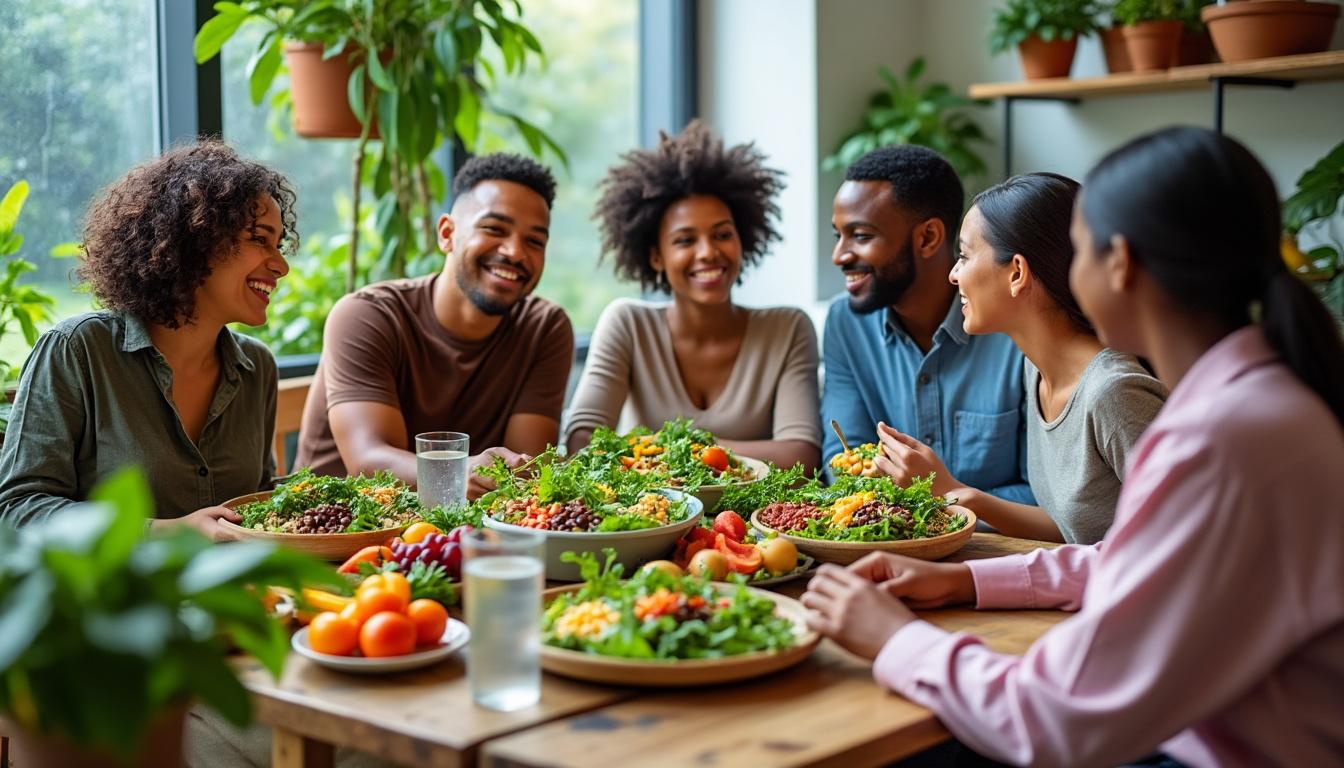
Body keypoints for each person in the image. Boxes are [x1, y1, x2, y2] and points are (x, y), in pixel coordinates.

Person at [802, 127, 1344, 767]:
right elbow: (1124, 557)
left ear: (1120, 267)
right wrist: (962, 582)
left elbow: (1055, 717)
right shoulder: (1244, 406)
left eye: (1078, 249)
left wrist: (897, 639)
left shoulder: (1221, 440)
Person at [0, 140, 293, 540]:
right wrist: (168, 532)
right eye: (260, 239)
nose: (281, 265)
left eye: (279, 245)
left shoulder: (257, 367)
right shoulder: (77, 351)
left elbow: (258, 504)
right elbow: (18, 509)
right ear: (197, 238)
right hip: (117, 600)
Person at [875, 173, 1167, 544]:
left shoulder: (1114, 394)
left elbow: (1191, 542)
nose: (953, 274)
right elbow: (1075, 531)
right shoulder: (1037, 371)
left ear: (1016, 272)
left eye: (964, 256)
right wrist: (954, 491)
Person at [294, 154, 574, 498]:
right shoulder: (367, 315)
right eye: (494, 229)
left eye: (534, 241)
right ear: (447, 234)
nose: (515, 252)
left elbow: (523, 474)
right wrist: (457, 471)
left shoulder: (544, 329)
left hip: (460, 532)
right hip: (332, 532)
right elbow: (368, 463)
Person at [564, 120, 821, 471]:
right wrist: (723, 455)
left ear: (742, 240)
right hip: (647, 522)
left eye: (722, 235)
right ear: (656, 256)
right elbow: (583, 442)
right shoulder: (627, 324)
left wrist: (663, 449)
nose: (708, 253)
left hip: (754, 523)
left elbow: (800, 458)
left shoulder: (787, 328)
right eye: (685, 240)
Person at [823, 145, 1032, 503]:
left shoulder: (1016, 327)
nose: (839, 255)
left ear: (928, 238)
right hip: (889, 547)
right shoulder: (846, 324)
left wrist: (936, 504)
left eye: (860, 236)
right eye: (837, 235)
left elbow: (1044, 494)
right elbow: (842, 462)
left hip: (1004, 552)